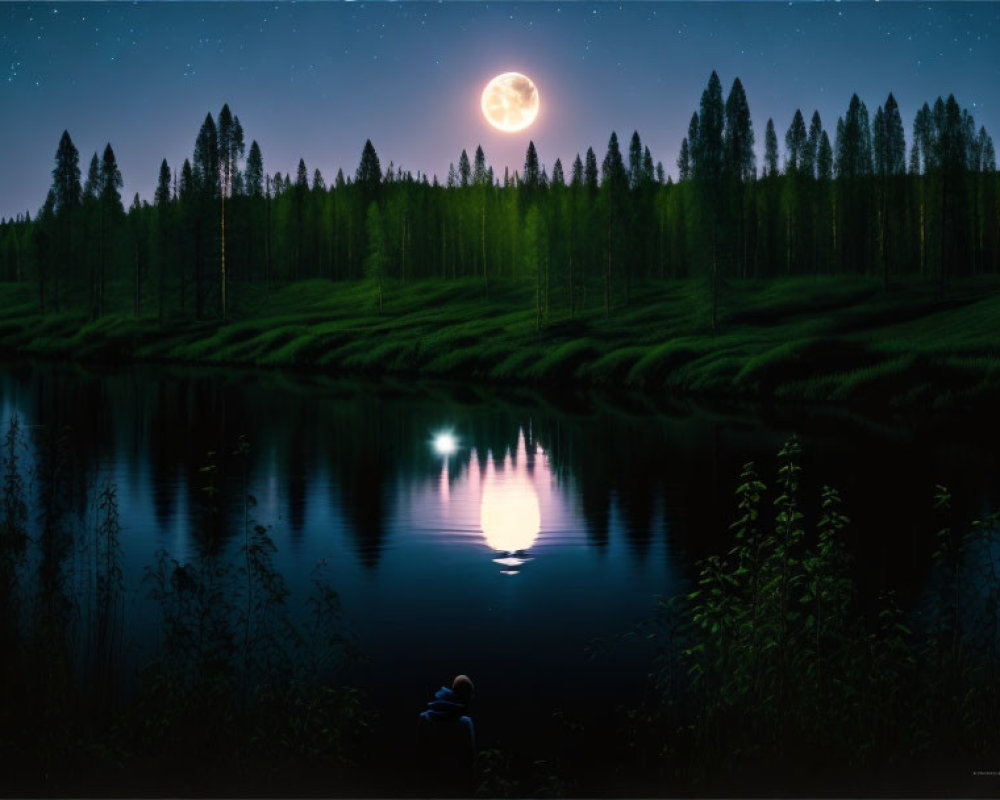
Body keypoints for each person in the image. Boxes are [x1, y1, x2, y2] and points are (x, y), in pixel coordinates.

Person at [416, 674, 476, 796]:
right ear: (467, 696)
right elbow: (469, 758)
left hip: (429, 783)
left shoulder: (424, 718)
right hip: (455, 785)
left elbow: (419, 752)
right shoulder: (465, 723)